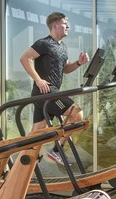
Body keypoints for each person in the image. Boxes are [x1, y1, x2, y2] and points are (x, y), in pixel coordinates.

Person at [19, 12, 90, 165]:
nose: (68, 26)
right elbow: (25, 58)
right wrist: (38, 80)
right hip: (46, 92)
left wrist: (78, 63)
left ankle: (19, 165)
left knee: (37, 132)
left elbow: (65, 69)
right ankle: (56, 151)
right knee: (77, 114)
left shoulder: (62, 47)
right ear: (55, 25)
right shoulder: (43, 43)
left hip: (47, 94)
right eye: (65, 24)